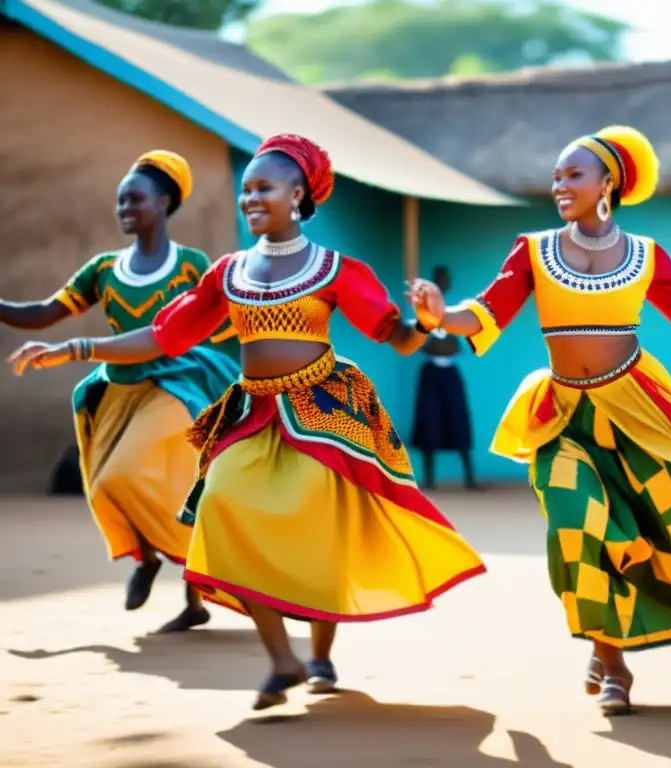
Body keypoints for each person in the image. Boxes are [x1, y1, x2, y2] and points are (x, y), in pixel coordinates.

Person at [8, 134, 487, 710]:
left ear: (300, 195)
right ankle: (282, 658)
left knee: (315, 529)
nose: (250, 197)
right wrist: (76, 349)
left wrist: (430, 322)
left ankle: (320, 654)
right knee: (220, 506)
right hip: (252, 411)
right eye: (245, 189)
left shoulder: (336, 269)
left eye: (264, 188)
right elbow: (163, 335)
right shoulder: (227, 272)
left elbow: (396, 336)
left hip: (322, 412)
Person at [408, 125, 671, 715]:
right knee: (575, 521)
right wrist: (441, 315)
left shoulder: (645, 256)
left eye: (573, 175)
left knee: (667, 519)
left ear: (607, 183)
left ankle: (614, 639)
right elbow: (485, 313)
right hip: (562, 414)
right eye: (557, 176)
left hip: (639, 411)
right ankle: (613, 665)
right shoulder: (533, 250)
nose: (559, 185)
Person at [0, 150, 240, 633]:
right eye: (119, 200)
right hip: (120, 388)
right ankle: (167, 576)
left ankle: (202, 571)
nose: (124, 206)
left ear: (164, 200)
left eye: (135, 197)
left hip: (181, 383)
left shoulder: (192, 266)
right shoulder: (104, 270)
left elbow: (229, 320)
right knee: (117, 485)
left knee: (125, 477)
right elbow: (44, 313)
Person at [411, 265, 478, 489]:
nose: (443, 282)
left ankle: (469, 478)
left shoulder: (454, 310)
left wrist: (443, 344)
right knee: (429, 420)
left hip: (450, 372)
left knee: (458, 419)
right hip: (430, 373)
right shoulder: (422, 309)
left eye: (445, 279)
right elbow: (422, 343)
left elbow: (455, 345)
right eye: (439, 279)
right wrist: (439, 344)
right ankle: (429, 479)